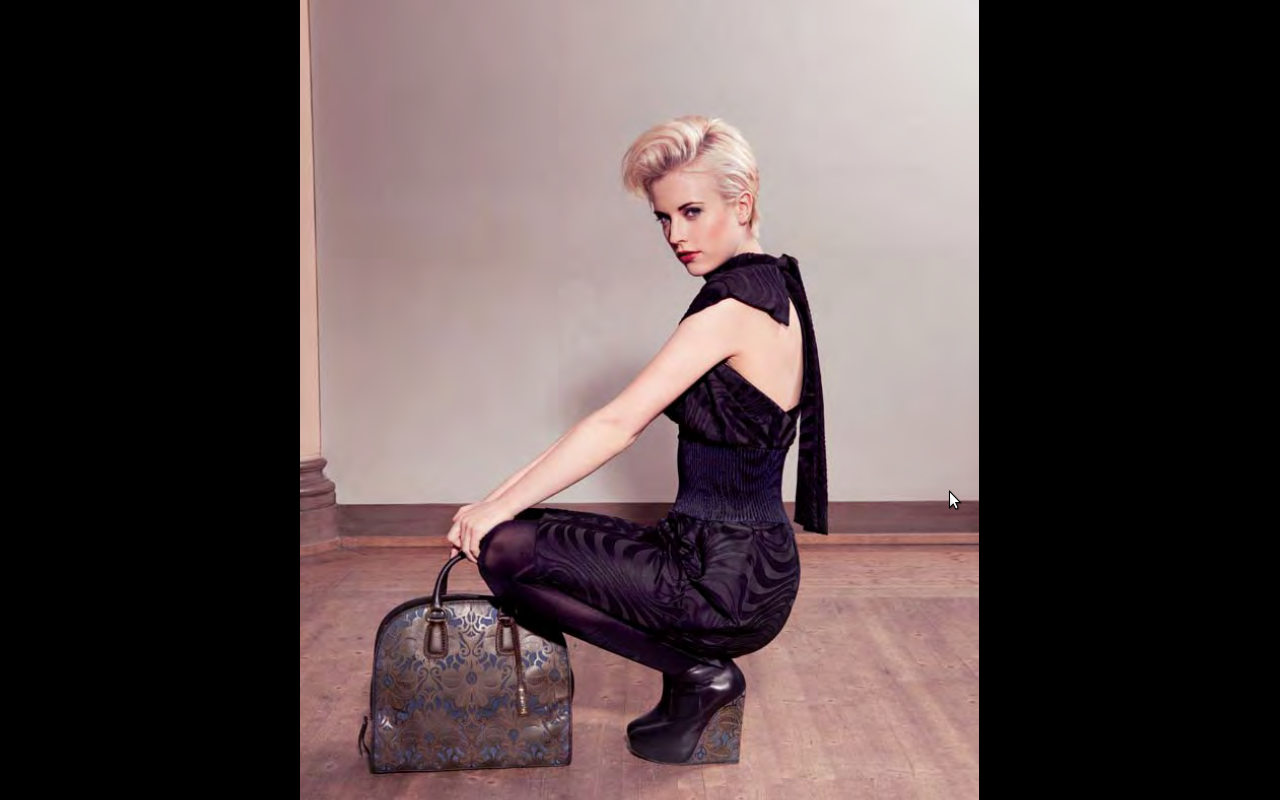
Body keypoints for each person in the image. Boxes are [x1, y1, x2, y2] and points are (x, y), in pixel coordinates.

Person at [445, 114, 828, 766]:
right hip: (723, 557)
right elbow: (609, 421)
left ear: (742, 205)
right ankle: (690, 678)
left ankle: (698, 672)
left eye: (692, 211)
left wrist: (494, 510)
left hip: (725, 582)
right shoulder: (770, 287)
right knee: (510, 529)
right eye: (663, 218)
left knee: (506, 550)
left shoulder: (732, 310)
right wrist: (491, 504)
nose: (676, 234)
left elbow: (616, 424)